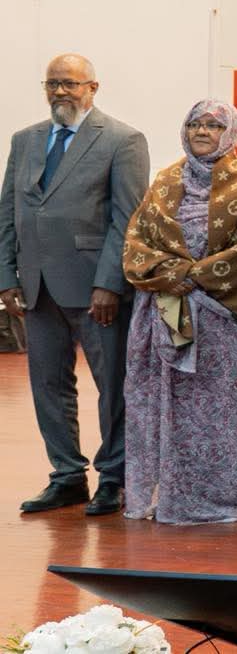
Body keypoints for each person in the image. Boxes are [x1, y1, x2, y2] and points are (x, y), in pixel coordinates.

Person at [121, 100, 237, 524]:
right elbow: (137, 241)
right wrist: (171, 276)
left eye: (213, 125)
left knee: (223, 416)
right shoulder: (165, 181)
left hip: (227, 326)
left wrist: (193, 276)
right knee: (172, 410)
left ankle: (223, 493)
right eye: (195, 123)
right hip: (168, 317)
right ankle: (169, 492)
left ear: (231, 134)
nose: (202, 131)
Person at [0, 54, 148, 516]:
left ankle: (114, 478)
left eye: (70, 83)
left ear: (92, 88)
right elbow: (8, 212)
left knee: (112, 386)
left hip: (96, 290)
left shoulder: (122, 140)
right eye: (53, 84)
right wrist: (5, 276)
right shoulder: (25, 140)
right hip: (36, 287)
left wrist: (110, 283)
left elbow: (128, 219)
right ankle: (66, 477)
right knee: (48, 386)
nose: (60, 91)